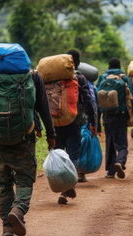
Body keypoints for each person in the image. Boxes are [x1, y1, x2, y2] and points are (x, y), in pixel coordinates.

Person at [0, 66, 56, 236]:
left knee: (3, 183)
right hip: (24, 139)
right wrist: (50, 133)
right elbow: (43, 106)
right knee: (24, 179)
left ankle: (7, 227)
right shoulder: (32, 76)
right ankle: (18, 210)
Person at [54, 49, 96, 204]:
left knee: (58, 154)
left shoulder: (54, 78)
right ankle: (67, 188)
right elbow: (88, 101)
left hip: (56, 122)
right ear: (78, 63)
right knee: (73, 155)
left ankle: (62, 186)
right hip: (74, 122)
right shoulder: (80, 78)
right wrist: (93, 122)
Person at [97, 57, 133, 179]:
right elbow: (132, 101)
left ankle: (110, 172)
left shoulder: (102, 78)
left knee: (109, 142)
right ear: (120, 66)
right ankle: (120, 161)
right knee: (122, 144)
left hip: (106, 116)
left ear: (109, 66)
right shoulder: (124, 79)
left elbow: (97, 102)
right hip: (121, 116)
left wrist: (97, 122)